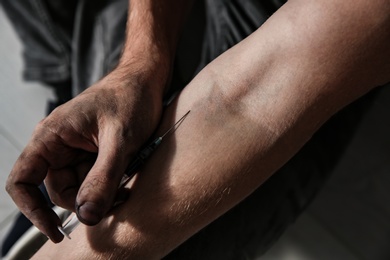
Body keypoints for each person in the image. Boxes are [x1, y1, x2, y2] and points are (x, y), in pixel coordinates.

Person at [2, 0, 390, 258]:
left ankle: (71, 72)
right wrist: (140, 65)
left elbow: (240, 102)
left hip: (296, 42)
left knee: (165, 229)